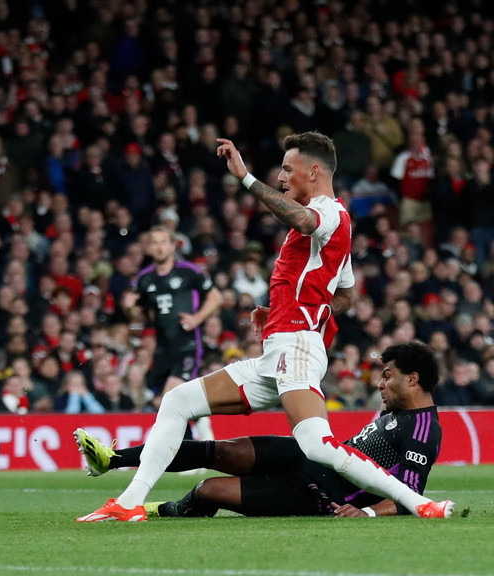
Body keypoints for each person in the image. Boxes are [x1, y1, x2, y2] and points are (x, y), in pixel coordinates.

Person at [77, 132, 453, 522]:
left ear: (315, 171)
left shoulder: (328, 213)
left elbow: (303, 220)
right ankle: (128, 502)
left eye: (289, 168)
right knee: (178, 402)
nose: (282, 176)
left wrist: (245, 177)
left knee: (317, 444)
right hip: (279, 347)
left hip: (296, 347)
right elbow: (345, 296)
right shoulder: (333, 230)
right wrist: (280, 308)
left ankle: (419, 503)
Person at [75, 342, 442, 518]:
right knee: (219, 450)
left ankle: (163, 509)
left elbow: (410, 492)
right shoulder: (397, 413)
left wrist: (369, 513)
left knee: (208, 489)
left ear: (413, 380)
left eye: (387, 376)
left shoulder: (424, 429)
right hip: (309, 457)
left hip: (323, 494)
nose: (379, 384)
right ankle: (114, 459)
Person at [122, 225, 223, 440]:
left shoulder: (189, 272)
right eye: (154, 243)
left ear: (172, 246)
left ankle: (187, 451)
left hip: (187, 344)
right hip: (162, 349)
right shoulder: (145, 279)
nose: (159, 248)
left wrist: (197, 318)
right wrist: (130, 308)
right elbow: (139, 317)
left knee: (171, 396)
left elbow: (216, 297)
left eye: (163, 242)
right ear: (148, 248)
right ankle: (201, 421)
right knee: (164, 401)